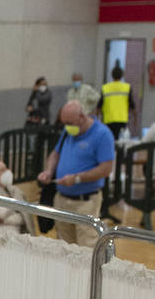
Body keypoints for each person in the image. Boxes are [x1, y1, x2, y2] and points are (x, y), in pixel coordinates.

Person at [37, 99, 115, 245]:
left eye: (70, 123)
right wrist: (49, 171)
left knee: (86, 248)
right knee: (64, 247)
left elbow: (106, 168)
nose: (67, 127)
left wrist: (77, 178)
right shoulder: (68, 132)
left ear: (82, 117)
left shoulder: (102, 134)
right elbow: (55, 154)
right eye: (64, 123)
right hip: (62, 199)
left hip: (85, 201)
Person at [100, 63, 135, 140]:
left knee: (109, 140)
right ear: (122, 76)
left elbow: (99, 106)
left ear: (112, 76)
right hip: (122, 120)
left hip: (108, 120)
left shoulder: (105, 88)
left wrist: (97, 120)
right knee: (120, 142)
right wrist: (135, 119)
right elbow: (132, 105)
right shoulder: (127, 88)